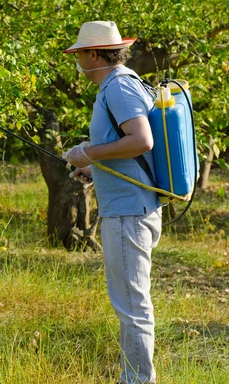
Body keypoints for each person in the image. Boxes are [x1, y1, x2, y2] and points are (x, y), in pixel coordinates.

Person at [62, 21, 162, 384]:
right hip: (134, 206)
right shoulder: (125, 83)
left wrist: (86, 152)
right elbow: (130, 150)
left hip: (129, 213)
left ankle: (136, 381)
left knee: (132, 309)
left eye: (78, 55)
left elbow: (141, 140)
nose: (77, 62)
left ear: (93, 54)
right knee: (133, 305)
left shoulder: (118, 86)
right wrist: (95, 169)